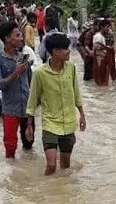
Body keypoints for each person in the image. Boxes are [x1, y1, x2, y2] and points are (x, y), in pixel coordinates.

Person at [26, 32, 86, 175]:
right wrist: (29, 124)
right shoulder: (39, 73)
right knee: (51, 165)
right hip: (50, 123)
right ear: (55, 51)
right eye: (65, 49)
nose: (69, 51)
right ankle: (47, 192)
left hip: (68, 122)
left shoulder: (71, 67)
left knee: (65, 166)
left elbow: (76, 91)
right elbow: (32, 100)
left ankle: (62, 194)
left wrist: (82, 115)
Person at [0, 20, 35, 158]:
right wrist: (15, 73)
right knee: (10, 147)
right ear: (7, 39)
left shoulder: (24, 58)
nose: (21, 38)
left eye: (21, 35)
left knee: (29, 143)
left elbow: (31, 83)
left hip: (27, 109)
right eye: (17, 36)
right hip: (11, 109)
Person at [93, 19, 115, 86]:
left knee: (104, 82)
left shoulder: (103, 36)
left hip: (103, 60)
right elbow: (96, 47)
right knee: (101, 82)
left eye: (109, 27)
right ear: (102, 27)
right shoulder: (98, 36)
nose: (108, 28)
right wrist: (108, 48)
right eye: (107, 27)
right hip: (99, 60)